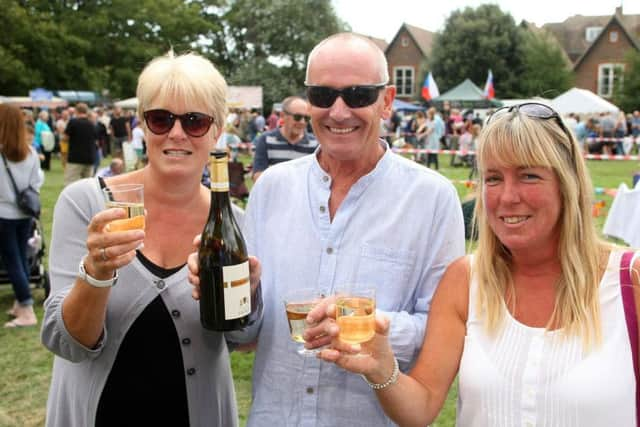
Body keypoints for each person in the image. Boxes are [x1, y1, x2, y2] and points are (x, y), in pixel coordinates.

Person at [187, 32, 465, 427]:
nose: (338, 111)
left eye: (357, 95)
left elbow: (438, 330)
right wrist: (238, 293)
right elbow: (246, 335)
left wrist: (362, 324)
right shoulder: (272, 187)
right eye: (322, 95)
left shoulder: (431, 198)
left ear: (385, 102)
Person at [316, 102, 640, 426]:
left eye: (529, 175)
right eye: (493, 178)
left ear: (567, 184)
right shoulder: (465, 281)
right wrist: (381, 366)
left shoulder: (630, 280)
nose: (508, 196)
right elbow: (421, 406)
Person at [41, 51, 261, 427]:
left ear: (217, 129)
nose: (176, 133)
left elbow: (241, 338)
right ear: (142, 126)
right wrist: (96, 273)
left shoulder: (234, 223)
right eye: (161, 119)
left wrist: (247, 295)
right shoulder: (87, 204)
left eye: (194, 121)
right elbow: (67, 342)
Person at [0, 104, 44, 327]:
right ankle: (21, 301)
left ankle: (26, 309)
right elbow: (37, 183)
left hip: (4, 214)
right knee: (22, 257)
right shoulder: (31, 152)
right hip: (24, 213)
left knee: (12, 260)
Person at [251, 95, 317, 181]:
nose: (302, 122)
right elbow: (258, 176)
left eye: (307, 118)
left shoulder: (315, 144)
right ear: (283, 116)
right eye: (297, 117)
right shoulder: (266, 140)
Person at [63, 103, 98, 186]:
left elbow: (65, 138)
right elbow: (96, 140)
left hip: (75, 157)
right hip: (89, 157)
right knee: (88, 184)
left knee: (70, 183)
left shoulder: (73, 122)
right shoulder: (92, 124)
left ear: (76, 111)